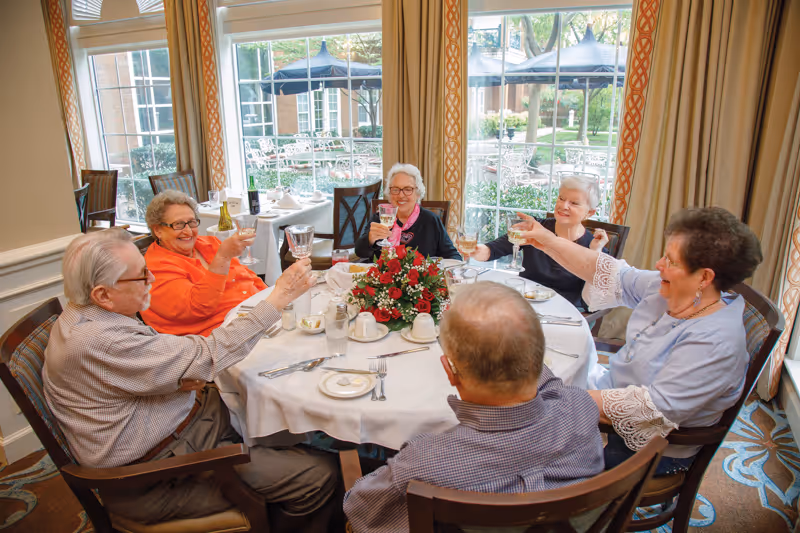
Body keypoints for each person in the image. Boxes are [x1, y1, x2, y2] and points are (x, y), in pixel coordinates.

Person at [43, 229, 339, 530]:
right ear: (103, 294)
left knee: (298, 425)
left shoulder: (82, 316)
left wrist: (174, 378)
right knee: (320, 475)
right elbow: (208, 353)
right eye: (142, 276)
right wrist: (279, 298)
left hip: (188, 430)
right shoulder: (99, 340)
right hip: (162, 473)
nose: (153, 281)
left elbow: (115, 378)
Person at [514, 206, 763, 474]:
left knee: (516, 449)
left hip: (647, 446)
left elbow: (650, 409)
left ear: (704, 277)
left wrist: (551, 397)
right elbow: (607, 272)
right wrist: (547, 240)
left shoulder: (715, 342)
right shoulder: (668, 288)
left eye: (670, 260)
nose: (659, 265)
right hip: (611, 391)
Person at [343, 282, 604, 532]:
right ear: (538, 354)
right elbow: (553, 386)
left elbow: (359, 510)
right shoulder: (581, 408)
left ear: (449, 370)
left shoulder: (424, 463)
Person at [458, 175, 608, 309]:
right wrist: (476, 251)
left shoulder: (594, 246)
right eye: (561, 198)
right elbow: (494, 249)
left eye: (574, 203)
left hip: (567, 311)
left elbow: (594, 302)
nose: (563, 206)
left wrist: (596, 253)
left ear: (589, 212)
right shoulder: (535, 227)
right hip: (526, 305)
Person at [141, 190, 266, 336]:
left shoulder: (209, 243)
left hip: (256, 319)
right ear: (158, 230)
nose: (188, 231)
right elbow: (197, 308)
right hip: (218, 340)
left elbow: (249, 277)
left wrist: (272, 300)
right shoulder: (154, 269)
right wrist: (223, 258)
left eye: (192, 222)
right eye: (179, 224)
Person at [355, 163, 461, 261]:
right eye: (395, 189)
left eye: (408, 189)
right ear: (390, 194)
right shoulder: (380, 217)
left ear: (418, 193)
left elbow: (453, 256)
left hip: (420, 280)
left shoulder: (431, 220)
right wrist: (370, 239)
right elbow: (360, 252)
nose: (401, 195)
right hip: (382, 280)